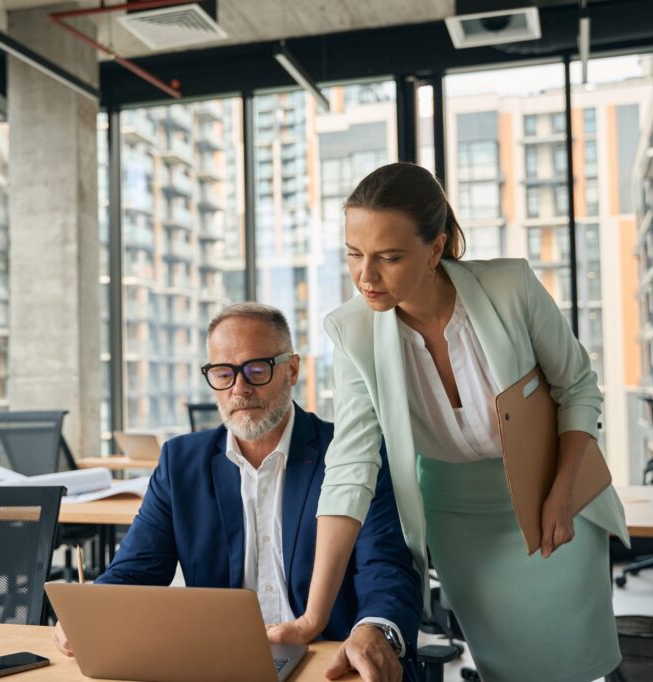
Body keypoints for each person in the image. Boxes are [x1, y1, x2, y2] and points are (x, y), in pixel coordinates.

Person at [267, 162, 631, 682]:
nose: (365, 276)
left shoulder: (510, 287)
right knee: (506, 669)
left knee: (577, 664)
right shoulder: (354, 333)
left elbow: (577, 388)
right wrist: (312, 617)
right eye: (353, 254)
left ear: (435, 249)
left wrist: (563, 492)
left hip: (553, 495)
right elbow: (349, 468)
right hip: (459, 520)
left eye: (389, 258)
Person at [53, 303, 422, 682]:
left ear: (292, 369)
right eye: (223, 373)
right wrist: (89, 616)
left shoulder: (349, 452)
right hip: (220, 665)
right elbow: (135, 571)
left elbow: (385, 566)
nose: (239, 389)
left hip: (327, 662)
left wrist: (374, 630)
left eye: (257, 370)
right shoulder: (182, 462)